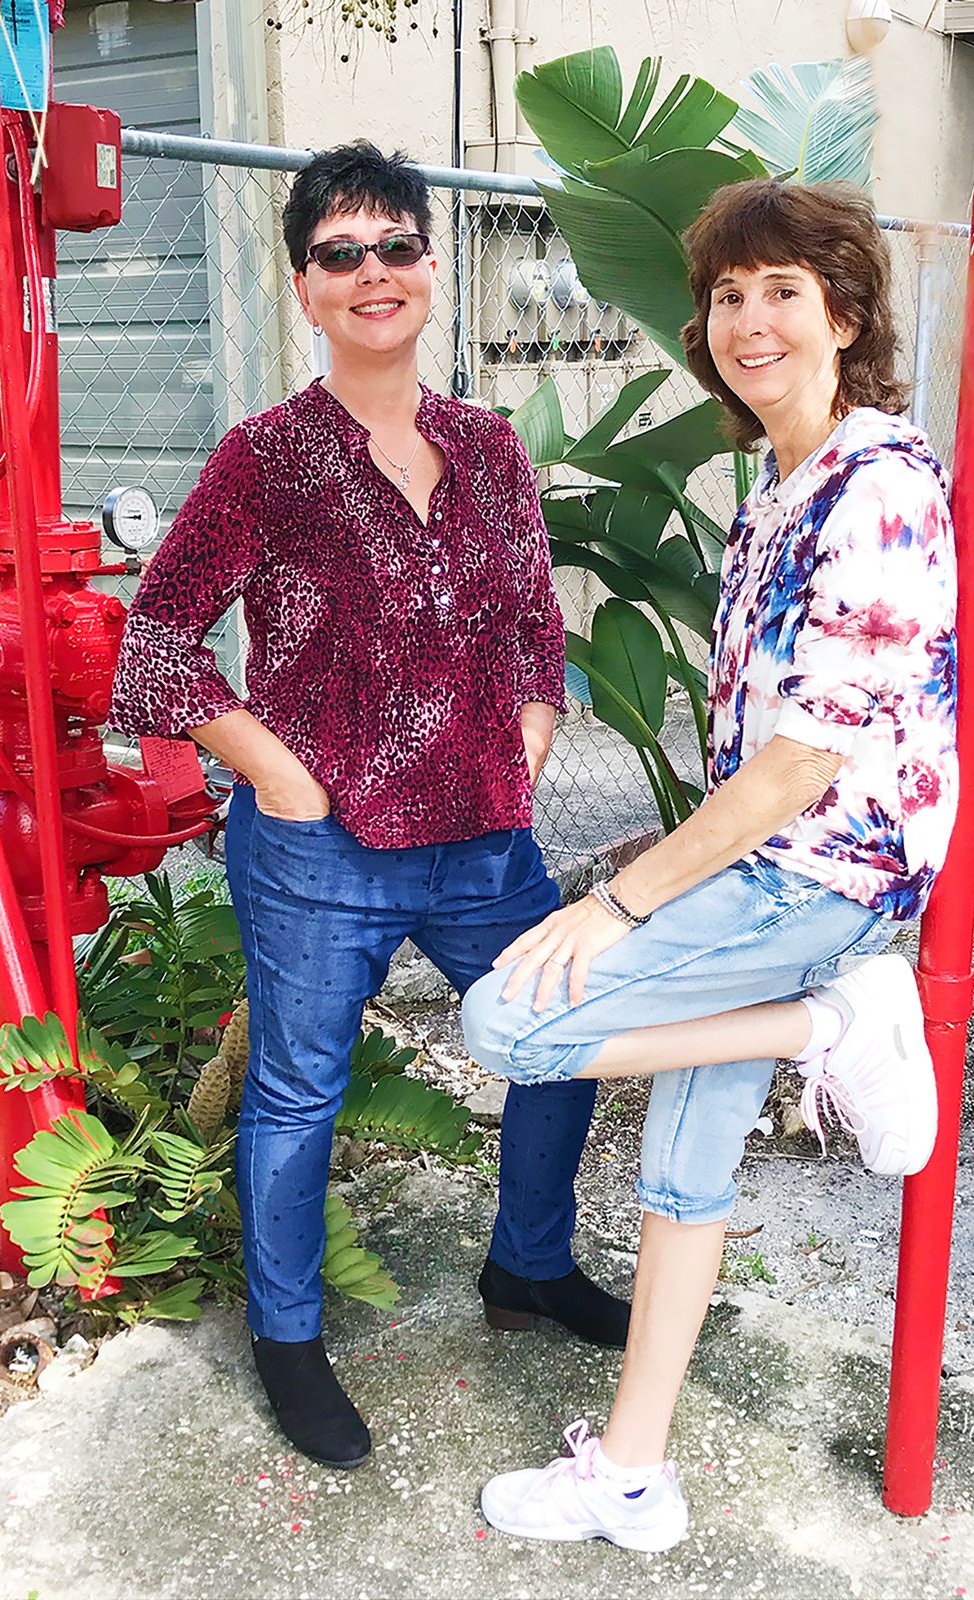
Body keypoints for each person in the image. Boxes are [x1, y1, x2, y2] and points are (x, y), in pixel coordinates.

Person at [108, 141, 628, 1473]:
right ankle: (287, 1340)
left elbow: (533, 621)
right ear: (305, 287)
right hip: (317, 851)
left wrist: (528, 735)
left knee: (562, 1039)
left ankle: (527, 1266)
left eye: (396, 246)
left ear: (431, 269)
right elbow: (154, 645)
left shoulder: (489, 449)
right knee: (298, 1095)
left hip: (484, 838)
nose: (373, 273)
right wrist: (279, 774)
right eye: (341, 255)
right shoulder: (266, 458)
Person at [462, 178, 958, 1552]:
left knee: (510, 1022)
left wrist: (626, 899)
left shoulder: (879, 482)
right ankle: (632, 1475)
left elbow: (805, 763)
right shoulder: (778, 493)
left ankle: (833, 1025)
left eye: (784, 291)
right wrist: (658, 864)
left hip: (817, 877)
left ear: (844, 318)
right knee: (683, 1177)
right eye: (729, 296)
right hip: (770, 866)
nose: (750, 321)